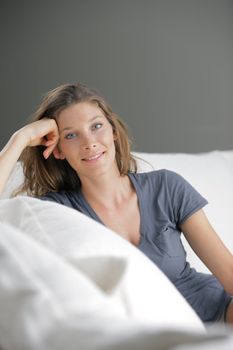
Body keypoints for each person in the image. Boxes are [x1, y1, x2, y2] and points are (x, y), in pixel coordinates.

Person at [0, 83, 233, 324]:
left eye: (96, 126)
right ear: (58, 150)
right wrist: (21, 138)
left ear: (113, 131)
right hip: (146, 332)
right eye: (71, 135)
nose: (89, 142)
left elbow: (228, 271)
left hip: (216, 310)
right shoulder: (57, 211)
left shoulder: (166, 186)